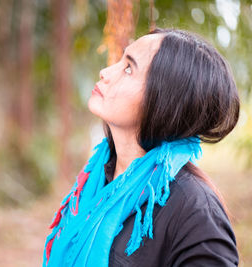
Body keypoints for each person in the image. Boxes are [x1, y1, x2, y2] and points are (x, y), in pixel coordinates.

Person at [42, 27, 240, 267]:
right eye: (120, 60)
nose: (105, 72)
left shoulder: (194, 209)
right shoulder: (97, 177)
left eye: (128, 69)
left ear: (165, 100)